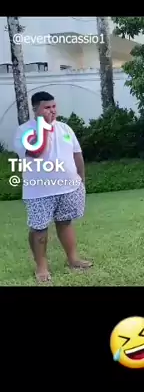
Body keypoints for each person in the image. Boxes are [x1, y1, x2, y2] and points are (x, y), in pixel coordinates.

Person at [13, 91, 92, 283]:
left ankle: (73, 259)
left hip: (69, 187)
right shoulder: (24, 131)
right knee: (39, 228)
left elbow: (77, 154)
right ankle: (41, 267)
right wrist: (44, 126)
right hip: (39, 191)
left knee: (65, 222)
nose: (53, 111)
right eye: (47, 107)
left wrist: (81, 179)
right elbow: (35, 152)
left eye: (54, 106)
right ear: (35, 109)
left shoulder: (65, 128)